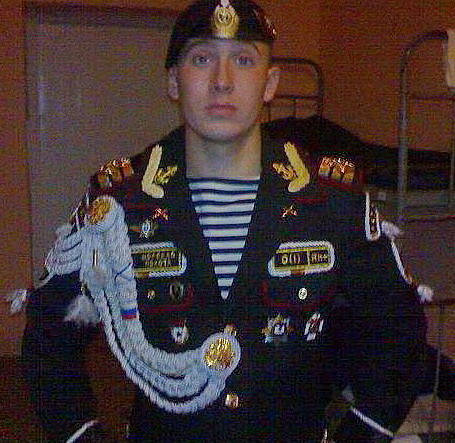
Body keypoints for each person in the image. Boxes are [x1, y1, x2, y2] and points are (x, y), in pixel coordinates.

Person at [21, 0, 429, 441]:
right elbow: (49, 338)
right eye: (201, 59)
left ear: (269, 83)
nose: (222, 81)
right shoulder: (118, 204)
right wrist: (80, 434)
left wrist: (362, 432)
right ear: (174, 81)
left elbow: (398, 330)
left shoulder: (331, 202)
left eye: (243, 60)